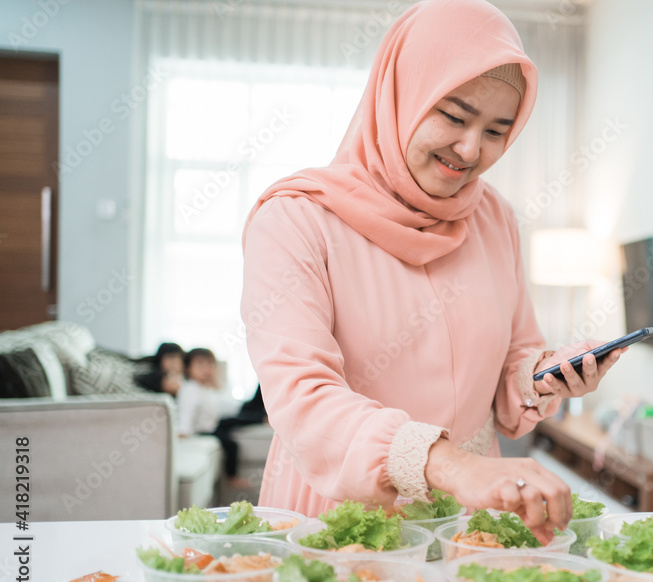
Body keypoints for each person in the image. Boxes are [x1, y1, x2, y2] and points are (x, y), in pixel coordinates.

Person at [240, 0, 623, 542]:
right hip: (339, 512)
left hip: (469, 516)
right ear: (401, 94)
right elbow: (303, 397)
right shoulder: (296, 219)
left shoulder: (495, 218)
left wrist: (542, 375)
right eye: (455, 116)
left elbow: (512, 359)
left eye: (497, 130)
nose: (471, 150)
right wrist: (452, 467)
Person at [175, 348, 252, 489]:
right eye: (200, 365)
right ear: (187, 368)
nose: (206, 369)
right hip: (203, 431)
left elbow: (222, 405)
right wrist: (183, 431)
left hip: (212, 423)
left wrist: (216, 385)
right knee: (231, 444)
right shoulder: (190, 390)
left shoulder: (203, 387)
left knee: (236, 419)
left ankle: (260, 417)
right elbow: (186, 412)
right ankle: (232, 477)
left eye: (210, 365)